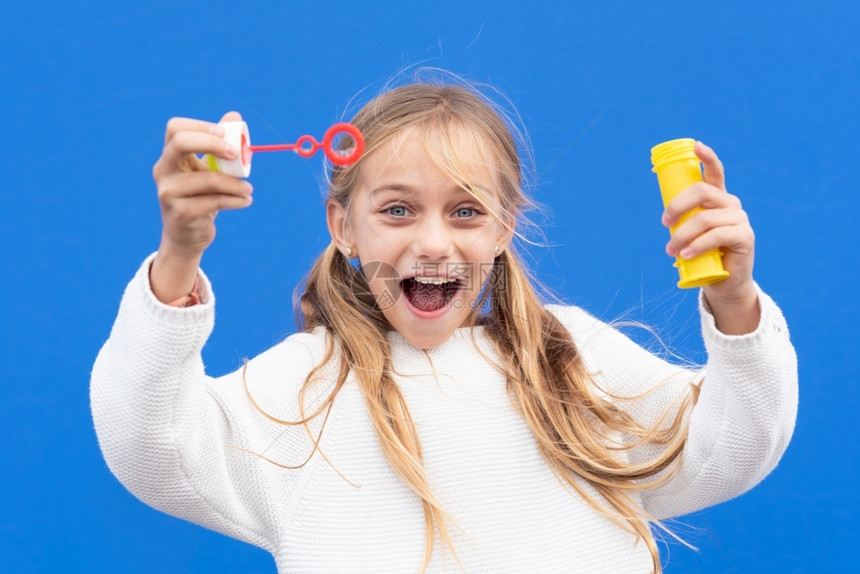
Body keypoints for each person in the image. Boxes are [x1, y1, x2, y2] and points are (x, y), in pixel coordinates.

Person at [91, 78, 798, 573]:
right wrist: (178, 256)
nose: (433, 243)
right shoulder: (303, 388)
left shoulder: (574, 357)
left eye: (465, 212)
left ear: (504, 228)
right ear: (344, 226)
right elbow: (152, 449)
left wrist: (735, 300)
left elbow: (733, 447)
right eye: (397, 210)